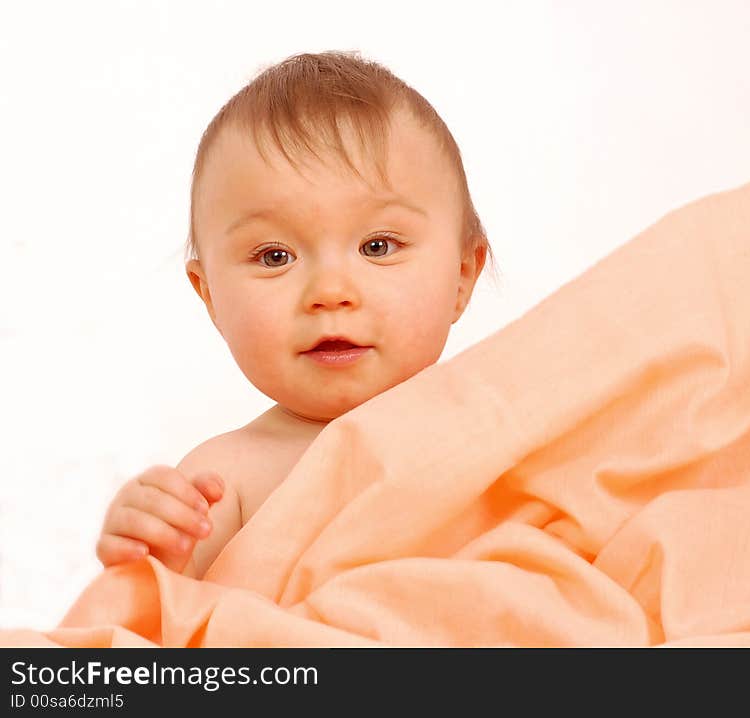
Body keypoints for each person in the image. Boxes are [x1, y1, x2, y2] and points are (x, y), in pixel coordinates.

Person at [96, 50, 498, 579]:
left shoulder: (501, 428)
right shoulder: (225, 479)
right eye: (274, 257)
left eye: (378, 246)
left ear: (463, 274)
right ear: (210, 294)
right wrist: (152, 551)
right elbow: (162, 623)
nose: (329, 293)